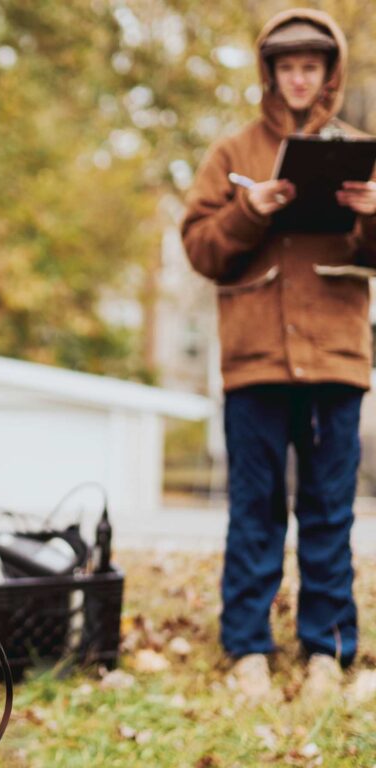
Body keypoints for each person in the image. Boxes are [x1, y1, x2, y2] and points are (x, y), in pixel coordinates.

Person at [182, 8, 376, 701]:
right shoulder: (231, 153)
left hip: (336, 361)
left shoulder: (360, 148)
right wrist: (250, 209)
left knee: (329, 511)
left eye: (311, 68)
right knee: (255, 509)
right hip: (255, 361)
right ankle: (247, 651)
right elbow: (201, 248)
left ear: (329, 73)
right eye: (287, 67)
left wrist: (371, 211)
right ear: (271, 74)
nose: (299, 79)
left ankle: (327, 652)